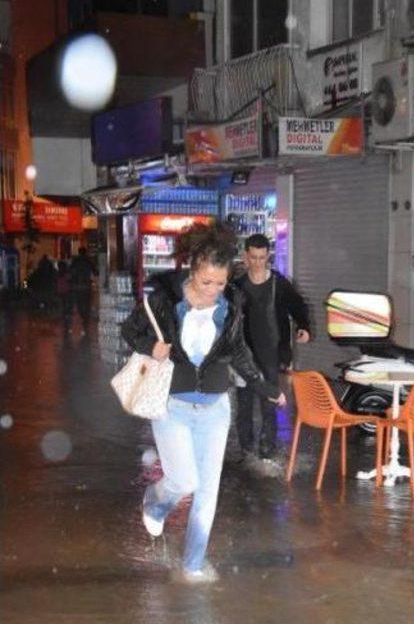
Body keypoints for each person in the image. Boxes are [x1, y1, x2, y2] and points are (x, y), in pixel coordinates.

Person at [121, 225, 285, 583]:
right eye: (205, 283)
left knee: (207, 491)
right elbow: (129, 330)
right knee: (183, 480)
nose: (213, 292)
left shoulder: (231, 306)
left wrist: (263, 386)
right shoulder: (164, 298)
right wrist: (152, 347)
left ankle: (193, 565)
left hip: (215, 408)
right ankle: (156, 501)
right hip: (173, 406)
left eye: (220, 284)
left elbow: (238, 350)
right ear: (192, 270)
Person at [234, 233, 311, 459]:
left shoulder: (279, 284)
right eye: (253, 257)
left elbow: (298, 305)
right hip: (244, 356)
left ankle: (267, 450)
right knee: (244, 405)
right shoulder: (237, 286)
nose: (258, 262)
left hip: (271, 354)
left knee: (269, 403)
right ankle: (246, 450)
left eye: (262, 257)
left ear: (268, 256)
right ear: (246, 257)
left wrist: (304, 327)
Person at [69, 247, 97, 331]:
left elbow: (70, 271)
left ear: (78, 252)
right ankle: (85, 318)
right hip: (86, 286)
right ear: (85, 252)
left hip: (77, 286)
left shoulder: (75, 261)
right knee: (87, 303)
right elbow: (95, 272)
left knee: (79, 303)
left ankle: (83, 316)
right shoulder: (88, 261)